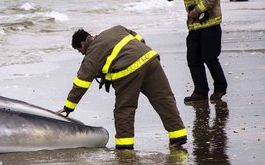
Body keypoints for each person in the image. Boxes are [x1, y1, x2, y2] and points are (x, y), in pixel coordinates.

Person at [56, 25, 187, 150]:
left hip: (128, 71)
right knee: (164, 99)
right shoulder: (117, 29)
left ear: (82, 44)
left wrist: (69, 107)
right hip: (150, 59)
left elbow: (81, 83)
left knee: (124, 109)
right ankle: (178, 136)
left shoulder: (92, 53)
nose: (82, 53)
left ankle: (124, 146)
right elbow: (140, 39)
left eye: (80, 51)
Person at [161, 0, 228, 103]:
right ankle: (200, 92)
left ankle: (220, 87)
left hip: (210, 25)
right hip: (193, 27)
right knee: (193, 59)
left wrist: (196, 11)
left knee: (209, 57)